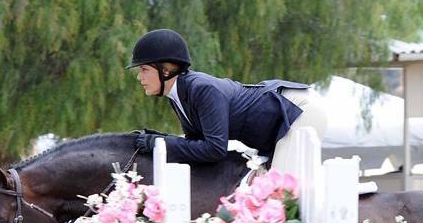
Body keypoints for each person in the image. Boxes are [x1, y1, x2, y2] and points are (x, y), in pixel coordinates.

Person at [127, 29, 327, 169]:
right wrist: (163, 139)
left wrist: (160, 143)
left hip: (299, 109)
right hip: (281, 117)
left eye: (144, 69)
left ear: (166, 70)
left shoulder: (202, 89)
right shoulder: (177, 95)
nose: (139, 77)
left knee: (279, 192)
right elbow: (196, 143)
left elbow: (215, 149)